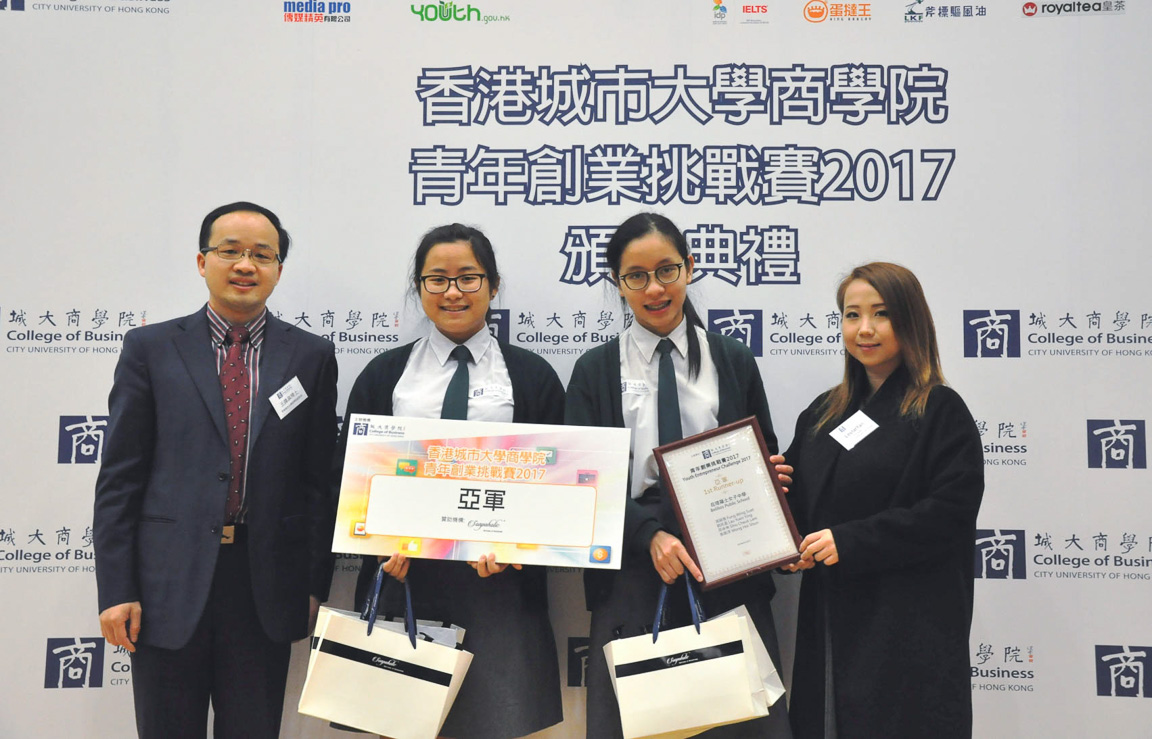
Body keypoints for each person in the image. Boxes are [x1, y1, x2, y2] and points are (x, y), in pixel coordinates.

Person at [93, 201, 339, 738]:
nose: (245, 264)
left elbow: (319, 482)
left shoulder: (311, 356)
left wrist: (312, 583)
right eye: (230, 251)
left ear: (278, 269)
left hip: (264, 584)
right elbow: (119, 479)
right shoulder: (151, 348)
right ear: (203, 262)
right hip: (165, 583)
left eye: (262, 254)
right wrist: (116, 587)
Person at [565, 212, 793, 738]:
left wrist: (770, 481)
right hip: (633, 562)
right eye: (636, 276)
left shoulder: (732, 358)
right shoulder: (595, 370)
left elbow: (763, 452)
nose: (655, 288)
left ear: (689, 268)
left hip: (727, 563)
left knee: (737, 721)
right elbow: (583, 478)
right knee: (643, 723)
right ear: (618, 283)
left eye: (667, 270)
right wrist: (649, 535)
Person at [336, 223, 564, 739]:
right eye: (436, 279)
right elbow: (348, 478)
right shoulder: (384, 375)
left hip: (499, 587)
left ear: (493, 285)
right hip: (403, 578)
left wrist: (516, 548)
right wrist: (376, 542)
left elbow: (558, 487)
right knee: (401, 723)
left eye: (468, 278)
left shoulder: (533, 377)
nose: (453, 292)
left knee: (496, 723)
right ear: (419, 287)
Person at [783, 262, 984, 739]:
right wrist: (780, 526)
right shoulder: (822, 413)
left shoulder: (939, 410)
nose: (864, 329)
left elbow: (949, 514)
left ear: (910, 320)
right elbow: (797, 504)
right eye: (852, 315)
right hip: (831, 619)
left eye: (881, 314)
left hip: (906, 627)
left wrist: (849, 542)